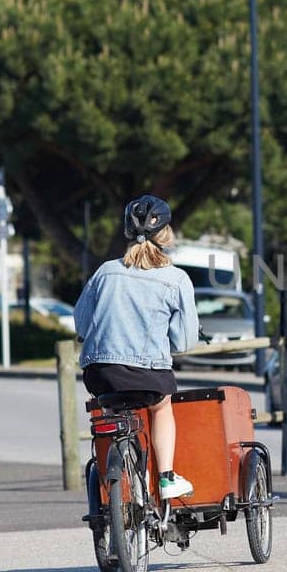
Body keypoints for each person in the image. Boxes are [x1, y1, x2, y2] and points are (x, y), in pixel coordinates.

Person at [73, 195, 200, 504]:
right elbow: (184, 342)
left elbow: (80, 324)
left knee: (112, 409)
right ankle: (167, 478)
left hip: (100, 374)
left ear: (127, 233)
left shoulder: (104, 272)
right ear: (166, 233)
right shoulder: (176, 279)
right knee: (161, 406)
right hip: (148, 375)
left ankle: (115, 476)